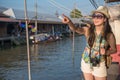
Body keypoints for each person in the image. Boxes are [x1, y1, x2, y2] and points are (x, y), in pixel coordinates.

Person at [61, 6, 117, 80]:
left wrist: (106, 52)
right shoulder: (88, 30)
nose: (95, 19)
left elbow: (114, 50)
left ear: (105, 19)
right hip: (86, 61)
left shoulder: (109, 35)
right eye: (94, 16)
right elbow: (75, 29)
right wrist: (69, 22)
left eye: (99, 16)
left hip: (99, 63)